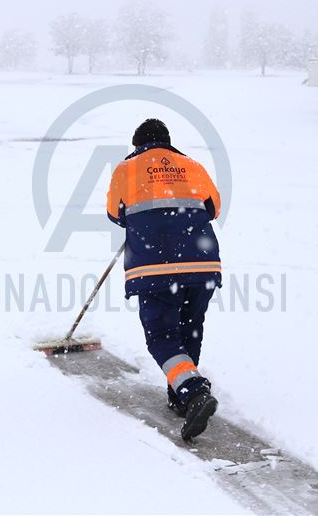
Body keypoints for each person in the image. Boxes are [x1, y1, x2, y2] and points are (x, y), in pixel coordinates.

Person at [106, 118, 222, 441]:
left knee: (162, 336)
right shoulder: (193, 166)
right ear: (168, 142)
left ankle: (193, 390)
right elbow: (213, 208)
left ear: (137, 144)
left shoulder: (126, 169)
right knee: (189, 328)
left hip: (155, 266)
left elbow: (115, 213)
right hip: (202, 262)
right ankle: (182, 396)